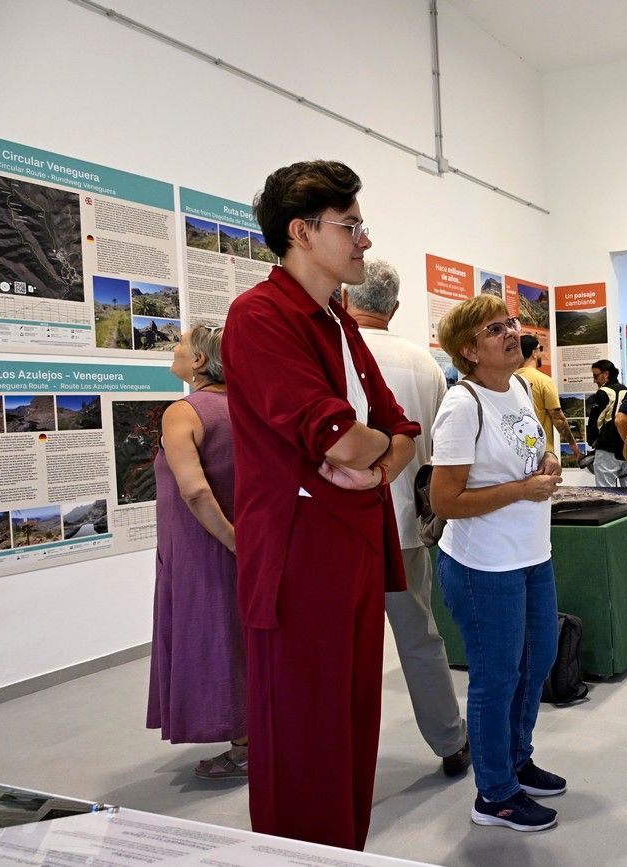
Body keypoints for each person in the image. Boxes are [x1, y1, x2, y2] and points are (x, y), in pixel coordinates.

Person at [221, 160, 421, 850]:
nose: (364, 240)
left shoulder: (337, 317)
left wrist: (376, 464)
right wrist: (366, 453)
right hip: (301, 556)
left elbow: (397, 428)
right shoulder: (259, 316)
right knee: (304, 737)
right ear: (303, 232)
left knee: (351, 728)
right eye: (352, 225)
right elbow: (332, 432)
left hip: (355, 544)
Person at [431, 294, 566, 833]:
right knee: (496, 677)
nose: (512, 332)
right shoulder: (462, 406)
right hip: (484, 565)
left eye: (510, 322)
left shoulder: (515, 388)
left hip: (531, 554)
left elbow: (528, 452)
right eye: (495, 329)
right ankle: (495, 794)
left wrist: (547, 460)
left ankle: (516, 759)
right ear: (469, 350)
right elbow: (445, 501)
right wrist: (523, 488)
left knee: (536, 662)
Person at [342, 260, 470, 778]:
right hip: (408, 527)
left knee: (345, 648)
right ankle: (450, 741)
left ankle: (342, 758)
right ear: (394, 308)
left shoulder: (339, 351)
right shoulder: (426, 362)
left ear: (347, 299)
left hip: (346, 524)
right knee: (420, 636)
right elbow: (440, 448)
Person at [146, 324, 244, 780]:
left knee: (215, 641)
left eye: (181, 343)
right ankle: (254, 737)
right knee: (240, 639)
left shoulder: (182, 412)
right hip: (237, 542)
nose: (175, 347)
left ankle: (245, 745)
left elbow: (196, 492)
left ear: (200, 361)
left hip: (205, 547)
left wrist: (231, 541)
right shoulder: (242, 409)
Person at [516, 334, 579, 462]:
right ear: (534, 353)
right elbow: (558, 418)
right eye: (540, 349)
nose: (540, 354)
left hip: (516, 451)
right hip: (541, 453)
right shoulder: (544, 381)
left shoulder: (509, 379)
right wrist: (573, 444)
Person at [585, 359, 627, 487]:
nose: (594, 380)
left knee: (605, 490)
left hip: (607, 447)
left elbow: (595, 419)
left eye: (595, 376)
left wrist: (592, 440)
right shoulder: (626, 390)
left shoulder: (603, 392)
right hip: (625, 446)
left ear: (606, 374)